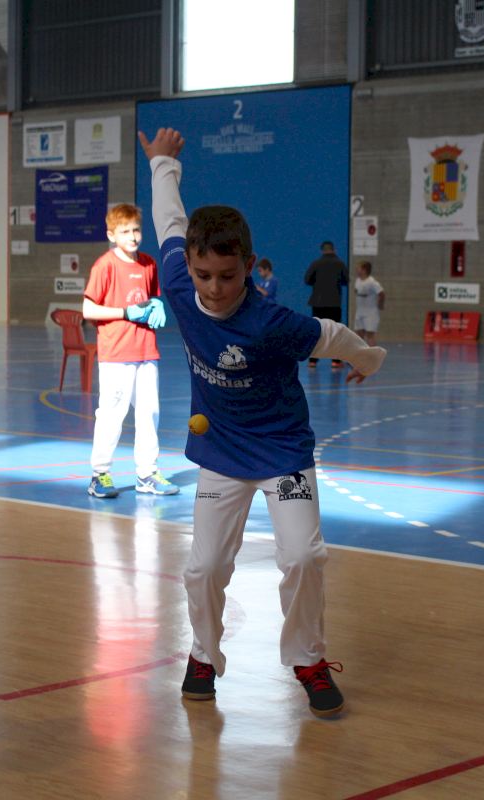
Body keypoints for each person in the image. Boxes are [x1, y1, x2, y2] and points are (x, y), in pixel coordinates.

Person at [138, 127, 386, 717]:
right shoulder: (179, 283)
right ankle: (203, 655)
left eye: (228, 276)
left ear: (249, 266)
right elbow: (170, 221)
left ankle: (307, 659)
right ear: (189, 267)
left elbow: (331, 334)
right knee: (203, 567)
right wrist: (164, 162)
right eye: (204, 275)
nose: (215, 288)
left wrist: (367, 358)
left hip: (282, 453)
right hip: (222, 454)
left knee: (303, 557)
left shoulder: (272, 323)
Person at [81, 203, 178, 499]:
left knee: (149, 414)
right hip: (116, 354)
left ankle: (147, 474)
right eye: (124, 232)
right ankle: (99, 474)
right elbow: (88, 309)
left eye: (136, 230)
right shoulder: (105, 266)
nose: (132, 236)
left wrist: (158, 304)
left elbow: (152, 297)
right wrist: (125, 312)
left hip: (146, 351)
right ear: (111, 235)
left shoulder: (148, 263)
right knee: (111, 415)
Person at [303, 240, 348, 368]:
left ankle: (313, 360)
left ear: (322, 250)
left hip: (318, 302)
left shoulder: (316, 263)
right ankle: (335, 361)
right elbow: (346, 280)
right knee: (335, 331)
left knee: (317, 330)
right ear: (334, 249)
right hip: (334, 302)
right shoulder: (340, 264)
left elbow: (307, 279)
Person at [352, 261, 385, 346]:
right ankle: (361, 354)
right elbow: (356, 290)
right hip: (359, 312)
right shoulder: (358, 280)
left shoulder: (372, 282)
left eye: (358, 268)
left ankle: (373, 354)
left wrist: (380, 304)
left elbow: (381, 293)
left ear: (364, 270)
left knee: (370, 335)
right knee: (359, 336)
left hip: (371, 313)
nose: (357, 270)